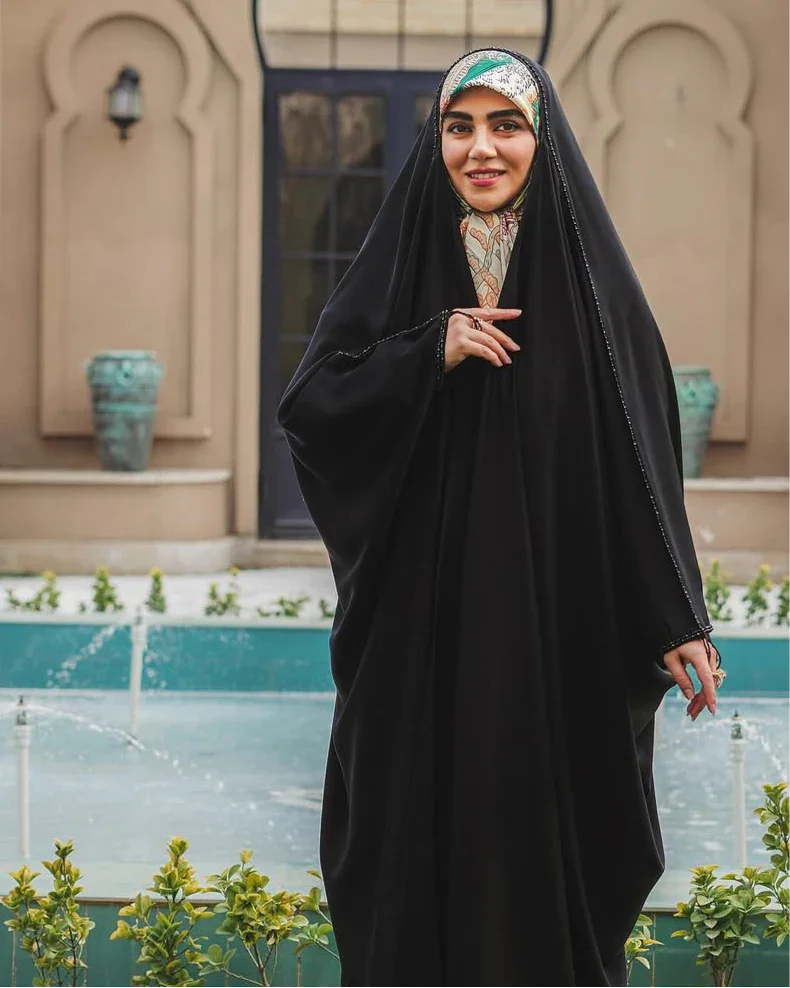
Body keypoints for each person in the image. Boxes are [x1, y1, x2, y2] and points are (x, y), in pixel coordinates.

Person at [278, 49, 724, 988]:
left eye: (506, 125)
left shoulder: (597, 295)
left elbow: (639, 466)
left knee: (540, 834)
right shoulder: (399, 264)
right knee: (413, 837)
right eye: (459, 127)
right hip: (419, 636)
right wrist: (421, 354)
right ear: (437, 141)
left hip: (550, 632)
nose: (481, 149)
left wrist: (676, 615)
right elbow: (311, 407)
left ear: (542, 136)